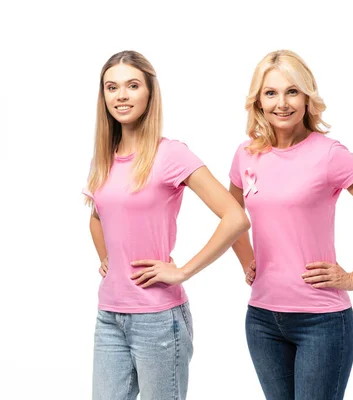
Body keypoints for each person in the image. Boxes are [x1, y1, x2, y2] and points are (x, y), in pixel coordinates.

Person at [229, 50, 353, 400]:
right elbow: (231, 215)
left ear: (307, 97)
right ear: (258, 101)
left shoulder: (329, 154)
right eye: (271, 93)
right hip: (262, 319)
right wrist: (246, 259)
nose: (282, 103)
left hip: (321, 321)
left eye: (292, 91)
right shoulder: (245, 154)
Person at [84, 50, 250, 399]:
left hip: (157, 320)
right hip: (109, 316)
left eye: (132, 85)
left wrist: (184, 271)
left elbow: (235, 216)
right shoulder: (104, 158)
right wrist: (107, 258)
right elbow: (98, 216)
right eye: (112, 87)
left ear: (149, 93)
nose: (121, 95)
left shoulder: (171, 154)